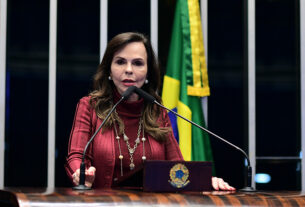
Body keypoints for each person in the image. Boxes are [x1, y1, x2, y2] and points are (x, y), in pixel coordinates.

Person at [65, 32, 235, 191]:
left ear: (148, 72)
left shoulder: (157, 111)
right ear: (109, 69)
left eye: (137, 63)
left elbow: (177, 166)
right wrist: (81, 174)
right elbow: (76, 156)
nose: (129, 69)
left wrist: (205, 181)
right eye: (120, 62)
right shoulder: (90, 106)